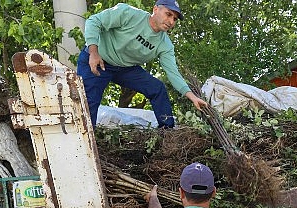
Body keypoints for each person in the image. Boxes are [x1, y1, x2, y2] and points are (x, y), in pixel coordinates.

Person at [77, 1, 207, 128]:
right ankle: (85, 143)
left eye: (175, 19)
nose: (171, 22)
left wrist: (192, 97)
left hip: (125, 69)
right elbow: (93, 21)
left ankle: (167, 134)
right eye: (168, 14)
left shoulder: (165, 45)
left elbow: (173, 73)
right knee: (88, 104)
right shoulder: (128, 14)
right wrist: (93, 52)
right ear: (155, 9)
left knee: (157, 88)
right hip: (98, 60)